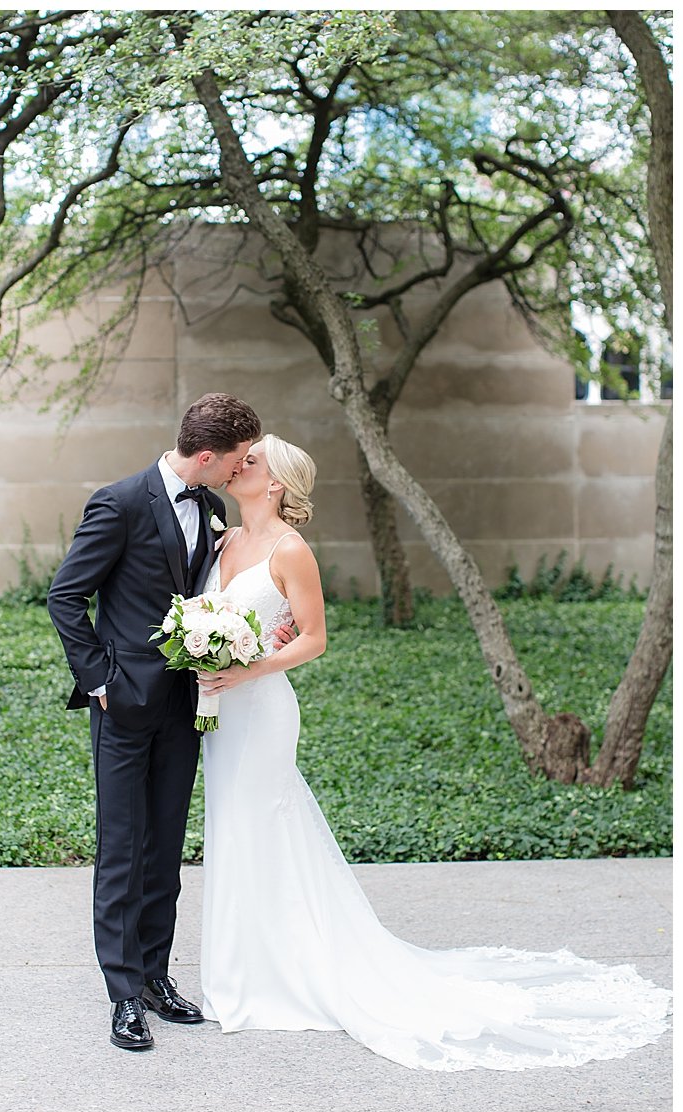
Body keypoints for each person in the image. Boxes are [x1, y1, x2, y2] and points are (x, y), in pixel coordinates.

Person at [195, 433, 671, 1069]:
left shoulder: (290, 550)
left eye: (250, 461)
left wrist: (246, 670)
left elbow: (314, 639)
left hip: (261, 709)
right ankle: (243, 968)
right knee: (232, 829)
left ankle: (282, 975)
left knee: (263, 826)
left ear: (275, 482)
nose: (236, 465)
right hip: (222, 712)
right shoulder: (224, 540)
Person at [48, 393, 274, 1050]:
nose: (241, 468)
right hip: (122, 705)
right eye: (237, 458)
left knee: (165, 850)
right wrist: (100, 682)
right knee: (122, 848)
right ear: (207, 455)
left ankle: (154, 975)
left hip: (184, 704)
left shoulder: (209, 507)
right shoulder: (118, 502)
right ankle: (122, 994)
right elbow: (67, 595)